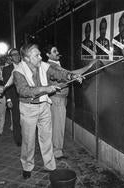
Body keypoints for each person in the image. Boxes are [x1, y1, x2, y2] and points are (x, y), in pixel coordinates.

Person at [13, 43, 82, 179]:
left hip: (44, 105)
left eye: (39, 54)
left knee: (46, 137)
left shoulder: (43, 66)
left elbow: (57, 72)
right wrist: (45, 89)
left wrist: (71, 76)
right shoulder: (18, 71)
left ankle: (50, 165)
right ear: (27, 58)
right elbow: (23, 91)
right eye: (36, 55)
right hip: (28, 108)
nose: (40, 58)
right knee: (28, 140)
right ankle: (27, 166)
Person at [45, 44, 96, 160]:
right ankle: (57, 152)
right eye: (54, 51)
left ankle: (54, 149)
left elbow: (70, 73)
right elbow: (68, 75)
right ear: (48, 55)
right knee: (58, 126)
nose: (57, 52)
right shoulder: (52, 66)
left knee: (55, 125)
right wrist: (88, 66)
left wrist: (88, 67)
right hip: (57, 99)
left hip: (57, 99)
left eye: (57, 50)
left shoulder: (54, 65)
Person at [2, 48, 22, 146]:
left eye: (17, 54)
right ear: (10, 57)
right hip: (14, 97)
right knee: (16, 119)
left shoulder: (25, 66)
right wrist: (8, 99)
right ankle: (18, 139)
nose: (17, 56)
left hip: (25, 97)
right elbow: (6, 86)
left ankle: (27, 138)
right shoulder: (7, 69)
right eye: (14, 55)